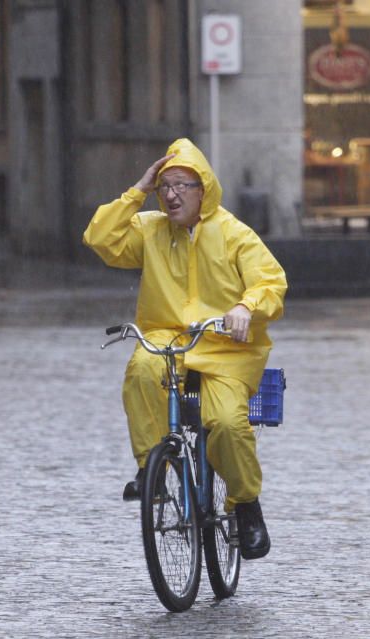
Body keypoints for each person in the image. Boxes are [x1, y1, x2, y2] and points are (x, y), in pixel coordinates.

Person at [83, 138, 287, 560]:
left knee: (228, 424)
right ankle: (151, 470)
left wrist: (245, 307)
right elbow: (99, 238)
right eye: (165, 187)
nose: (171, 195)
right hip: (166, 340)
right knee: (141, 369)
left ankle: (246, 505)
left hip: (226, 348)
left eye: (181, 186)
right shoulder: (151, 228)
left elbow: (271, 283)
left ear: (203, 190)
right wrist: (137, 190)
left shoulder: (234, 234)